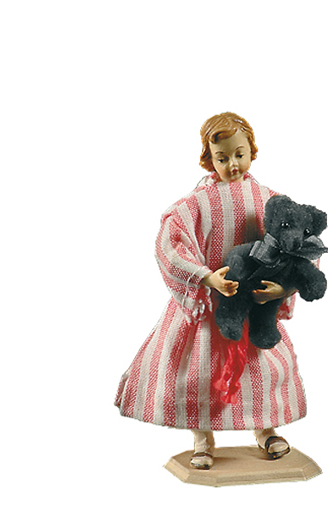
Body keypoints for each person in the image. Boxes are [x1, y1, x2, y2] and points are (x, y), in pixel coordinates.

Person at [115, 112, 307, 470]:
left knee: (261, 372)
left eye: (239, 154)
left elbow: (299, 245)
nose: (232, 164)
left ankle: (266, 430)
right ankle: (202, 438)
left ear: (251, 151)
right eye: (222, 157)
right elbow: (171, 244)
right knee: (198, 374)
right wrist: (205, 277)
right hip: (210, 308)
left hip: (254, 306)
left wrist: (283, 287)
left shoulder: (270, 200)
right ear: (209, 158)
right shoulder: (196, 204)